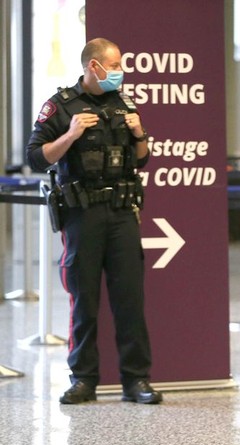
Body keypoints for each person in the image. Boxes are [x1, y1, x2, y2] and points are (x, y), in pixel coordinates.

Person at [26, 38, 162, 405]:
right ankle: (83, 379)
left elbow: (142, 160)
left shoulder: (124, 103)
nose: (119, 72)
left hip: (121, 213)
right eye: (113, 65)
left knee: (129, 299)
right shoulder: (60, 106)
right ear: (93, 67)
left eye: (120, 65)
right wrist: (70, 134)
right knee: (83, 299)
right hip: (82, 215)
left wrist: (139, 135)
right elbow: (36, 158)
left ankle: (136, 380)